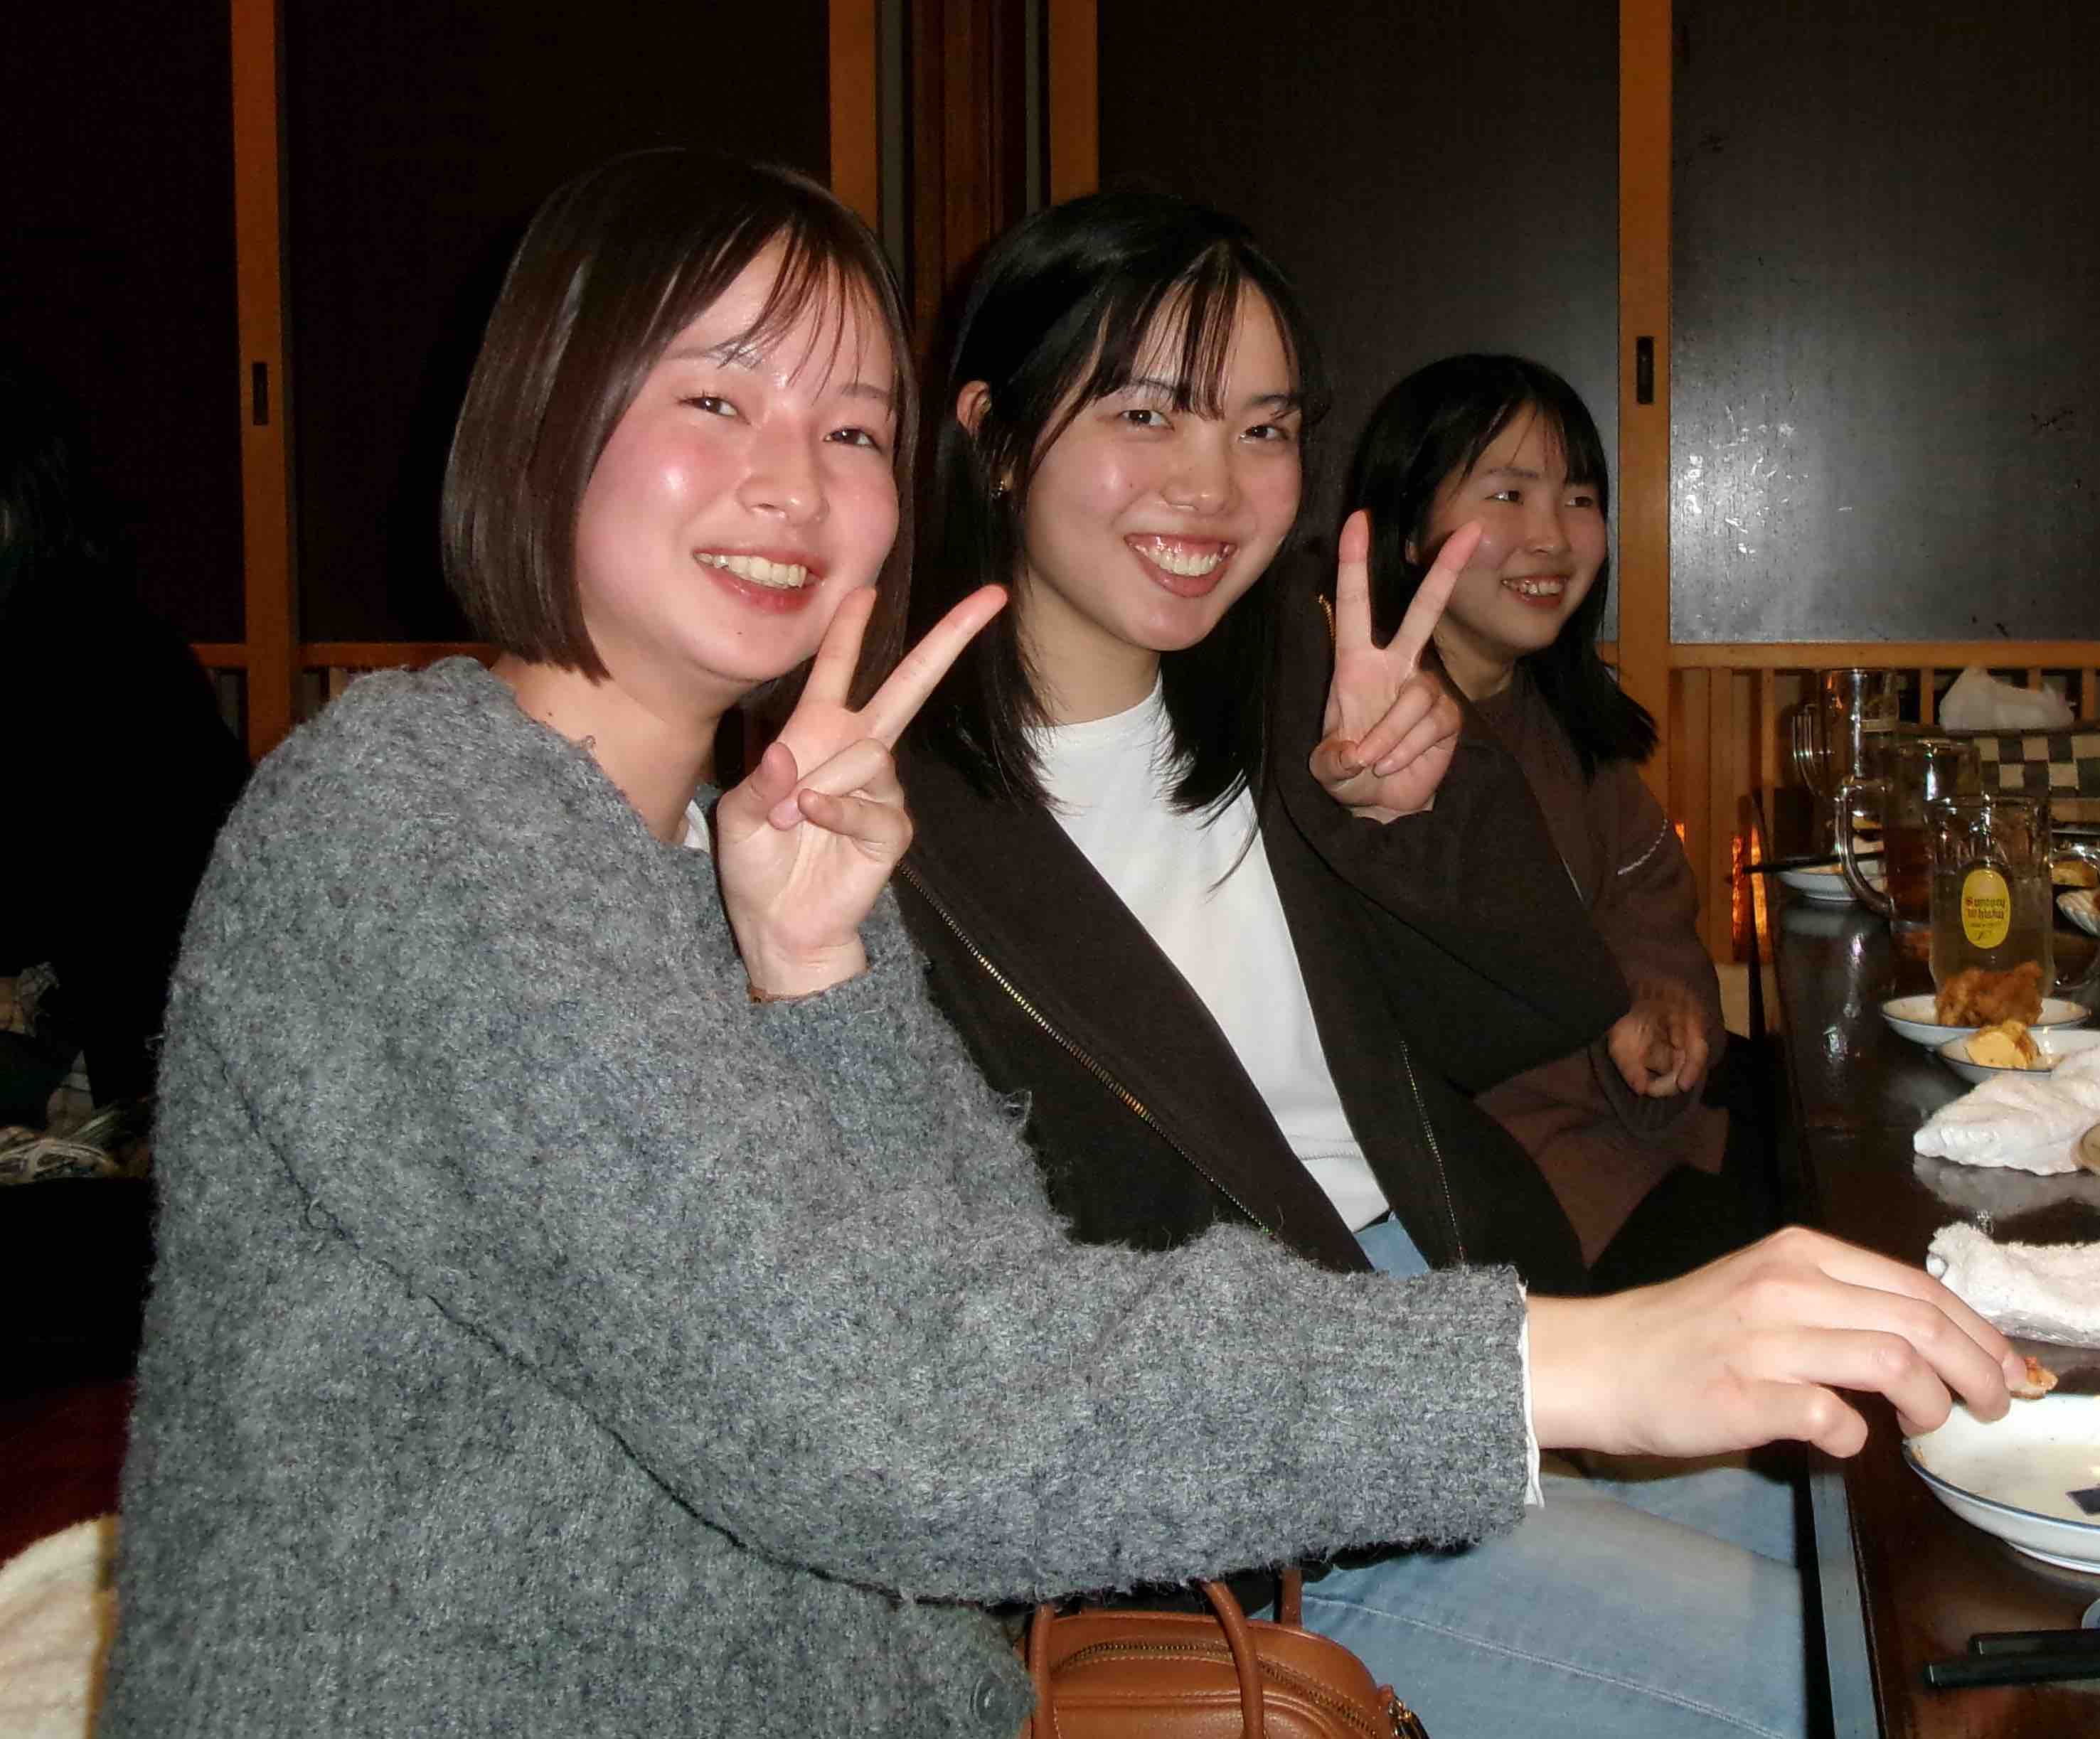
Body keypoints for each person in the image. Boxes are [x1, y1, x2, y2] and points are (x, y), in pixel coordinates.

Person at [100, 154, 2024, 1739]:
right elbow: (894, 1397)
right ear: (543, 410)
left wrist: (815, 980)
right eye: (714, 398)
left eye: (846, 423)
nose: (793, 478)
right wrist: (1555, 1369)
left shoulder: (739, 847)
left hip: (958, 1619)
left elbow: (963, 1278)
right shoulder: (417, 817)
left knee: (1906, 1582)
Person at [891, 190, 1907, 1738]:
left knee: (1893, 1551)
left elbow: (1530, 1012)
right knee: (1841, 1677)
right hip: (1262, 1505)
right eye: (1146, 411)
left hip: (1461, 1309)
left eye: (1262, 426)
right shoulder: (877, 811)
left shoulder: (1294, 684)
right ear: (994, 434)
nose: (1212, 484)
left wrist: (1413, 813)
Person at [1345, 355, 1766, 1290]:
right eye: (1507, 494)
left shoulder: (1564, 723)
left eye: (1577, 498)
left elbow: (1646, 902)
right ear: (1408, 531)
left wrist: (1657, 997)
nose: (1550, 537)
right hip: (1500, 1188)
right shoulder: (1360, 731)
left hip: (1620, 1137)